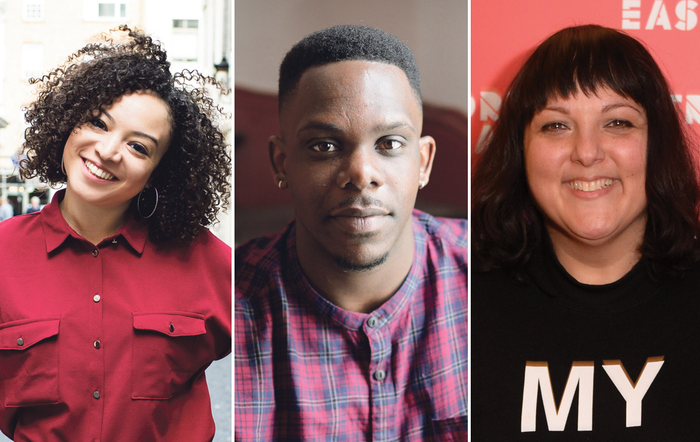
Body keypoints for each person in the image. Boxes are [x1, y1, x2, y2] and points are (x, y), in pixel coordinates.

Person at [235, 25, 467, 440]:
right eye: (324, 146)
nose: (361, 175)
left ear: (424, 162)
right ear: (280, 163)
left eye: (390, 143)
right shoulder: (226, 313)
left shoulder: (496, 278)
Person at [0, 26, 231, 441]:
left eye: (139, 147)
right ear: (68, 124)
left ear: (158, 173)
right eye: (98, 123)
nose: (108, 151)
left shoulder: (209, 262)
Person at [471, 24, 700, 440]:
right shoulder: (458, 304)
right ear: (519, 151)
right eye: (556, 126)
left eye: (617, 122)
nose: (587, 152)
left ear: (659, 143)